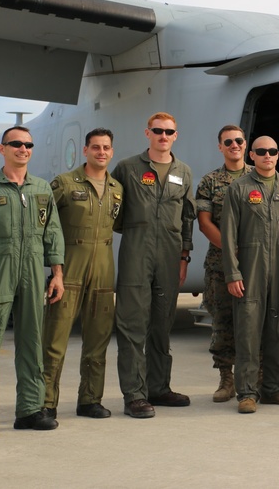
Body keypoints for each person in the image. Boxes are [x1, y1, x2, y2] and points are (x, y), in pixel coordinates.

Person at [0, 126, 64, 440]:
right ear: (2, 149)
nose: (23, 148)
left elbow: (53, 233)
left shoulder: (42, 189)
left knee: (32, 344)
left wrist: (57, 274)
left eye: (28, 144)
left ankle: (30, 410)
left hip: (32, 274)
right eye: (16, 143)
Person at [111, 112, 196, 418]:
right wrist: (137, 232)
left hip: (170, 256)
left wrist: (184, 256)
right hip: (136, 253)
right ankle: (134, 394)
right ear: (147, 133)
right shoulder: (128, 168)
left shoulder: (183, 172)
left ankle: (159, 388)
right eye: (157, 131)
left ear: (176, 136)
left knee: (162, 324)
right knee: (133, 325)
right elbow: (115, 210)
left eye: (168, 131)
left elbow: (188, 217)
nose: (163, 136)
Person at [222, 137, 279, 414]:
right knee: (248, 331)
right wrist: (233, 272)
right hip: (250, 267)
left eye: (272, 151)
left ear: (277, 155)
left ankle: (275, 388)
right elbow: (227, 235)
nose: (267, 156)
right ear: (252, 155)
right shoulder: (239, 189)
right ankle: (247, 392)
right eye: (261, 152)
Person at [41, 128, 123, 421]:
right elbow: (46, 225)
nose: (102, 152)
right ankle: (46, 403)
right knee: (55, 340)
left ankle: (89, 400)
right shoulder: (64, 183)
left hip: (102, 270)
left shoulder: (116, 188)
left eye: (106, 148)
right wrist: (54, 270)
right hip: (69, 269)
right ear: (85, 150)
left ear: (112, 152)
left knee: (98, 339)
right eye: (96, 147)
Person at [195, 125, 252, 403]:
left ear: (245, 143)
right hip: (220, 265)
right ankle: (226, 380)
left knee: (255, 322)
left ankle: (253, 379)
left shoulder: (260, 176)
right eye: (228, 141)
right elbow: (205, 224)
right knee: (223, 322)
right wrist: (233, 251)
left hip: (255, 265)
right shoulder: (210, 181)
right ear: (220, 147)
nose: (234, 145)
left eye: (239, 140)